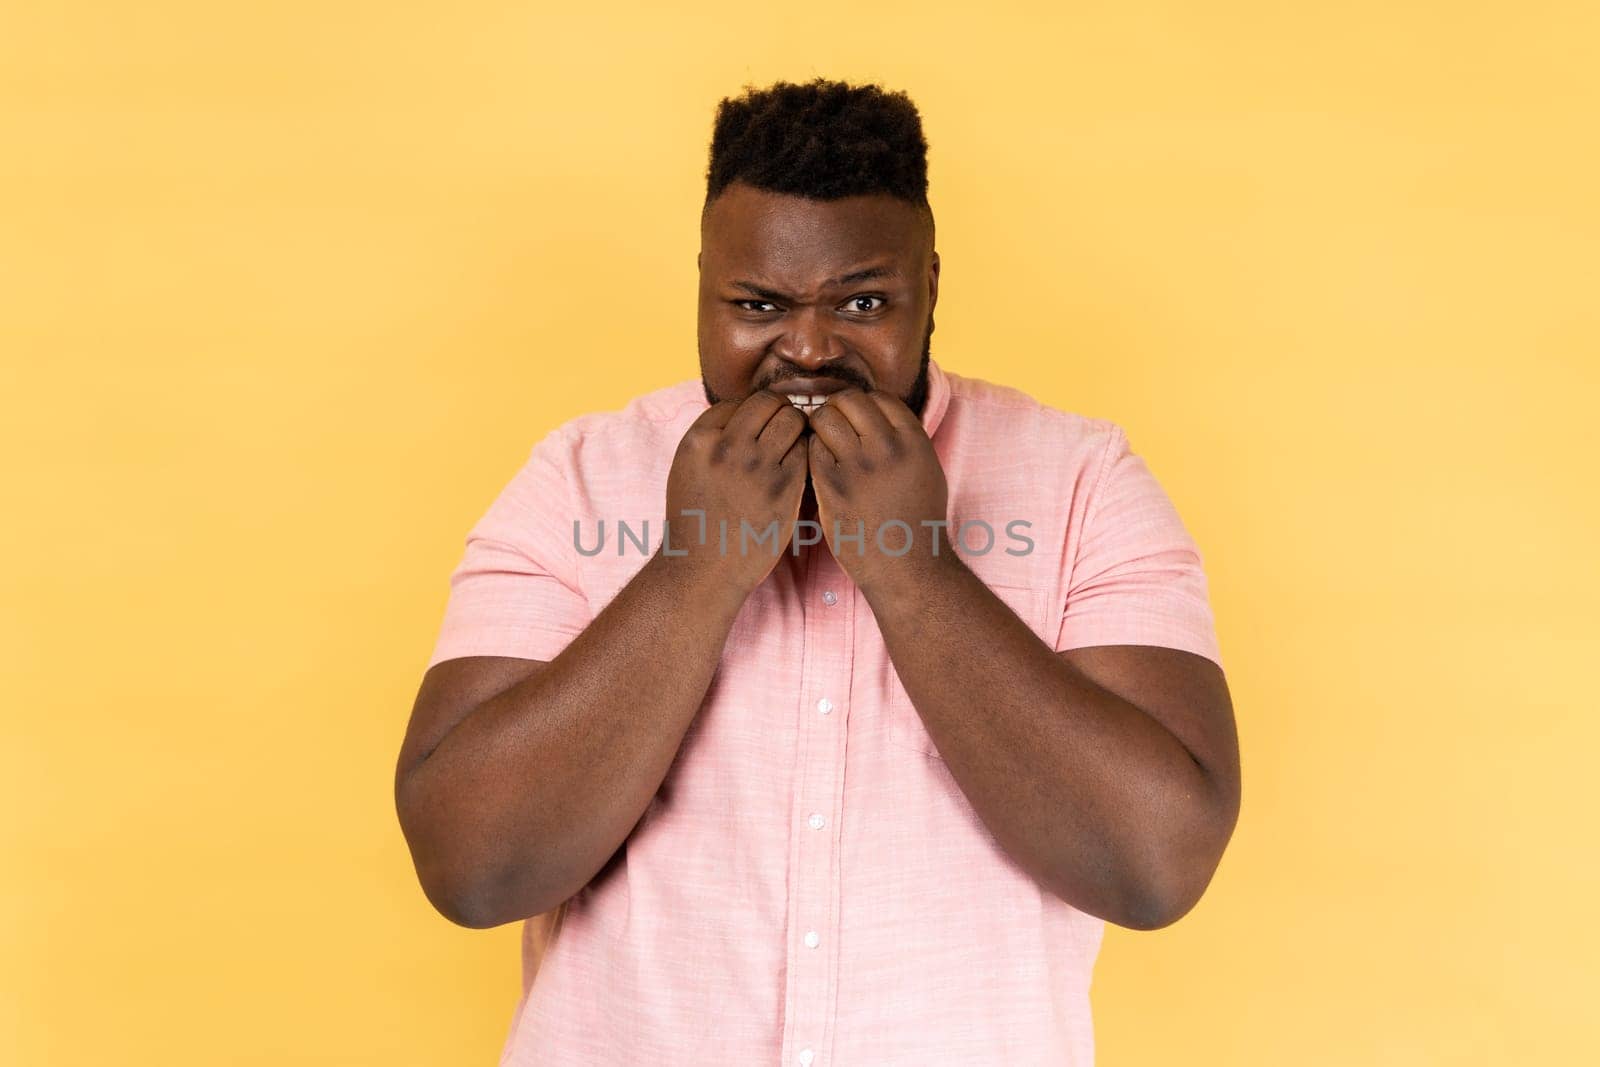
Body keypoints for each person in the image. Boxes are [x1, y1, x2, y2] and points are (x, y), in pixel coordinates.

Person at [394, 76, 1240, 1066]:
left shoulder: (1083, 479)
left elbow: (1154, 867)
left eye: (863, 301)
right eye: (758, 304)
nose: (805, 347)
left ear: (930, 287)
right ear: (704, 286)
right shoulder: (577, 479)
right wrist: (691, 573)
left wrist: (913, 569)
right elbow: (472, 870)